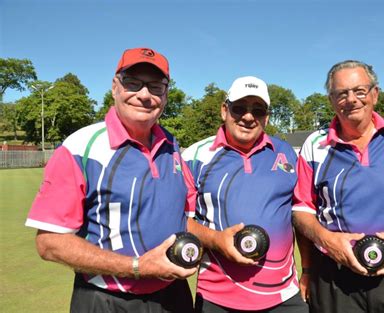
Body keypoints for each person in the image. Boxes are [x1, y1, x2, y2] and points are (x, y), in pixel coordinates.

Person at [25, 47, 198, 312]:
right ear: (115, 87)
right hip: (107, 299)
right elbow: (49, 243)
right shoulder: (81, 147)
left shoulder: (172, 146)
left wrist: (220, 240)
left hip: (173, 294)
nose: (144, 95)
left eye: (155, 86)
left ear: (165, 95)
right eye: (133, 83)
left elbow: (185, 218)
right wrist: (137, 267)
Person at [292, 60, 384, 313]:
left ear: (375, 94)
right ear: (331, 100)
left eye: (359, 91)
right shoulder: (314, 145)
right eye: (341, 93)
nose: (351, 99)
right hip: (334, 277)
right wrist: (328, 240)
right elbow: (301, 211)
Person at [182, 76, 308, 313]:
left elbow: (301, 215)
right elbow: (180, 221)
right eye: (239, 108)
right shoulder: (195, 156)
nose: (248, 117)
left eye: (257, 110)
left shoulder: (287, 154)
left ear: (267, 117)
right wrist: (215, 240)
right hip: (217, 297)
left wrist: (308, 270)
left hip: (284, 297)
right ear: (224, 110)